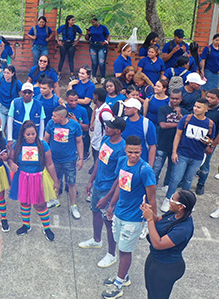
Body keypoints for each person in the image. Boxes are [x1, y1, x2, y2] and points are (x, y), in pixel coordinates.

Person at [98, 135, 157, 299]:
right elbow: (120, 184)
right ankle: (124, 276)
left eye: (137, 152)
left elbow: (152, 197)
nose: (133, 155)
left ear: (141, 150)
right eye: (130, 152)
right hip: (119, 213)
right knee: (121, 247)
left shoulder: (145, 170)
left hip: (133, 218)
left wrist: (153, 220)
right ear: (125, 150)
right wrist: (111, 205)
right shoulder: (122, 161)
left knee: (125, 251)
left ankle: (118, 285)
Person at [81, 118, 126, 268]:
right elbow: (99, 162)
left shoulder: (122, 149)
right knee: (94, 211)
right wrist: (90, 181)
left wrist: (108, 197)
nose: (106, 127)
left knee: (109, 221)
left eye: (110, 126)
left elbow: (120, 177)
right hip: (98, 185)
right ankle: (96, 240)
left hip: (108, 190)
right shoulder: (106, 139)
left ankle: (111, 254)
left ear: (118, 131)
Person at [9, 120, 59, 241]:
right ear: (23, 135)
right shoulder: (17, 145)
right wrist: (12, 164)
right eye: (28, 134)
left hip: (38, 177)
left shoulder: (43, 145)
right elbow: (10, 159)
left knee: (40, 204)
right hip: (22, 177)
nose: (31, 137)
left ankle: (46, 228)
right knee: (25, 202)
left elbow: (50, 163)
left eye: (33, 134)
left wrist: (56, 180)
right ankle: (26, 225)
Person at [141, 189, 196, 299]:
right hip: (155, 259)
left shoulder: (183, 229)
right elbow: (158, 220)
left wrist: (149, 220)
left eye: (173, 200)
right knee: (150, 290)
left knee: (158, 296)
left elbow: (158, 244)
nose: (169, 201)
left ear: (181, 207)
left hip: (166, 267)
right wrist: (149, 212)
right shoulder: (174, 213)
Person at [161, 98, 213, 214]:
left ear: (205, 109)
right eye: (195, 106)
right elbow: (178, 136)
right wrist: (174, 152)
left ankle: (185, 202)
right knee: (175, 178)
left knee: (188, 180)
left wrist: (208, 141)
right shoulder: (186, 119)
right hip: (183, 154)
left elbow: (211, 140)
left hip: (197, 156)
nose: (195, 108)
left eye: (199, 107)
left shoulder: (209, 124)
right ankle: (168, 199)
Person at [44, 106, 84, 218]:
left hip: (69, 160)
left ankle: (73, 205)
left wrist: (81, 158)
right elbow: (45, 140)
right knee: (55, 181)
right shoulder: (51, 124)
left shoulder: (74, 126)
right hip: (54, 159)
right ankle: (55, 200)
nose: (52, 117)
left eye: (54, 116)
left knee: (71, 183)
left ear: (62, 117)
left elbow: (79, 142)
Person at [154, 90, 185, 191]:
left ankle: (167, 184)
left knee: (171, 168)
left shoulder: (185, 112)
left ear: (181, 99)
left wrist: (180, 116)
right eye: (172, 98)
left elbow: (186, 126)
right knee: (157, 167)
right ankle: (153, 183)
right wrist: (179, 124)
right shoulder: (163, 109)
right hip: (162, 143)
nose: (174, 101)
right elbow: (163, 125)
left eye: (177, 99)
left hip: (176, 147)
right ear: (169, 98)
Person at [121, 98, 157, 167]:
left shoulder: (147, 124)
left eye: (128, 108)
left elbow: (152, 147)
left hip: (140, 164)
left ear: (135, 110)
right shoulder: (123, 121)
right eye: (125, 107)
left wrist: (149, 166)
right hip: (124, 163)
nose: (125, 109)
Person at [0, 65, 21, 133]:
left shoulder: (16, 83)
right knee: (1, 128)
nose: (6, 75)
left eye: (8, 73)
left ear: (13, 73)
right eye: (5, 72)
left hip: (12, 108)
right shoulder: (1, 80)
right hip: (2, 107)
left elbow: (24, 91)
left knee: (9, 129)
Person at [89, 88, 114, 175]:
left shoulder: (105, 113)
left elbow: (111, 128)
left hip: (102, 143)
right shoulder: (99, 109)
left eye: (93, 96)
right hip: (97, 141)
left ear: (96, 97)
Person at [86, 17, 111, 84]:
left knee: (101, 62)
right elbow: (87, 38)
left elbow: (108, 36)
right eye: (92, 22)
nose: (93, 23)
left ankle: (102, 77)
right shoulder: (91, 28)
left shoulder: (103, 28)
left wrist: (106, 42)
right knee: (94, 62)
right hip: (93, 45)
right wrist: (87, 33)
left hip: (101, 45)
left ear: (97, 22)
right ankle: (93, 77)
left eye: (94, 22)